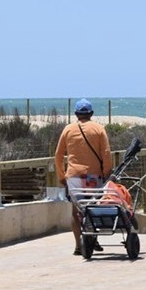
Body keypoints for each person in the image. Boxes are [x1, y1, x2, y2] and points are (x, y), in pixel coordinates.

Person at [55, 99, 113, 255]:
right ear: (91, 113)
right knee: (93, 208)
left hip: (74, 176)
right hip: (93, 176)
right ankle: (92, 240)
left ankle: (78, 245)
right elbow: (106, 154)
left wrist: (61, 176)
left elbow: (58, 155)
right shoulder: (99, 129)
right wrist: (107, 174)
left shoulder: (68, 130)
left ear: (76, 114)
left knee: (76, 211)